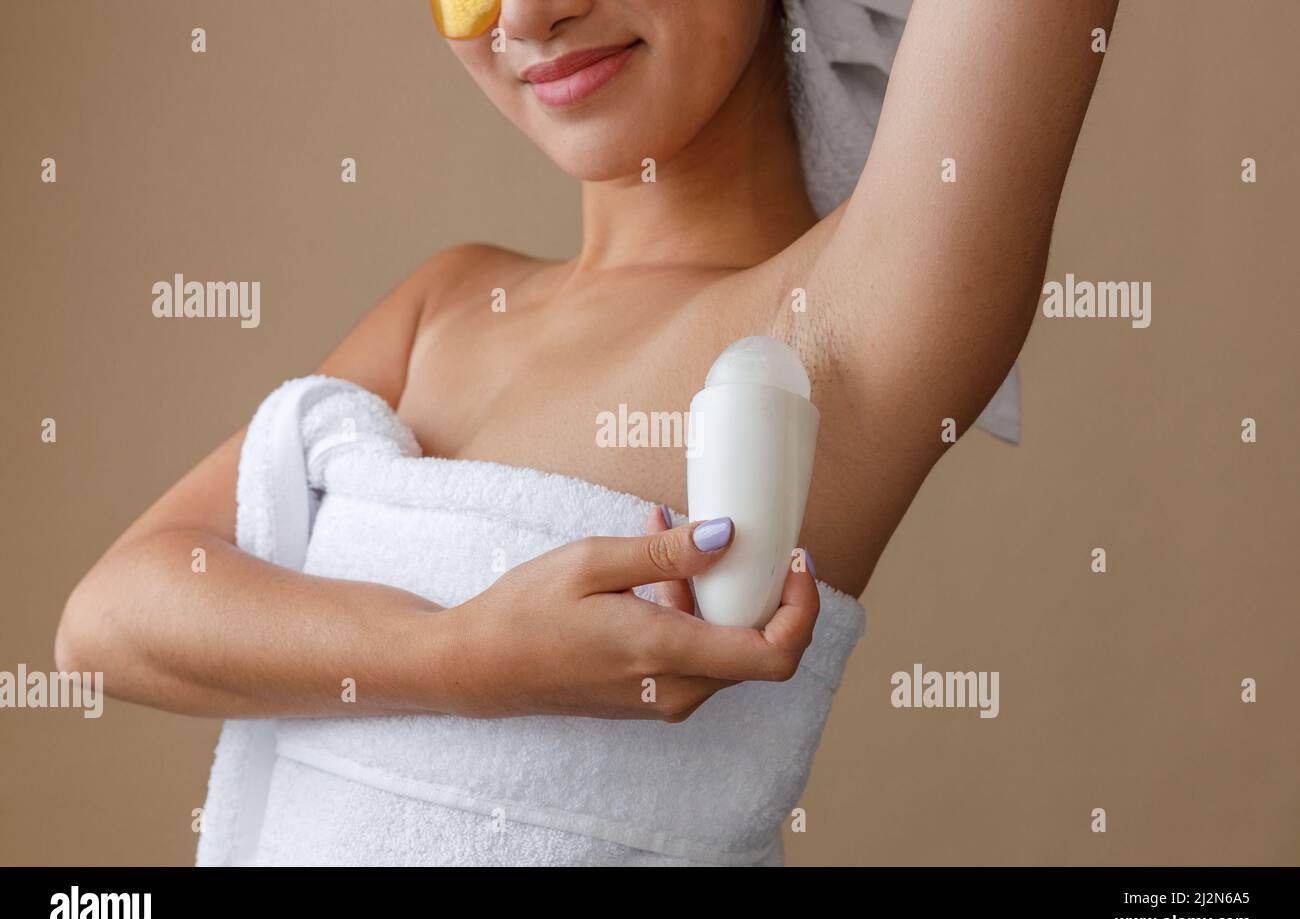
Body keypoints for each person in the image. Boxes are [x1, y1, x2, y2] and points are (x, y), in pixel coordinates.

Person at [55, 0, 1117, 865]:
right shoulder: (447, 301)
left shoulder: (846, 321)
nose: (527, 15)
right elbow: (106, 618)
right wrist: (461, 653)